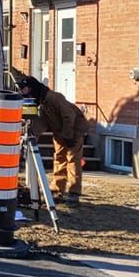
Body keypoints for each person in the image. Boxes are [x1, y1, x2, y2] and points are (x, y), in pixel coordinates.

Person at [19, 76, 90, 204]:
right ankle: (57, 190)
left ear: (32, 88)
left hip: (74, 129)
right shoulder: (42, 103)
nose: (25, 94)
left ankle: (74, 193)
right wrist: (32, 132)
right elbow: (43, 123)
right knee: (59, 159)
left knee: (73, 160)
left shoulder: (54, 98)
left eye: (25, 90)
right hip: (59, 132)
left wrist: (68, 135)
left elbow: (69, 115)